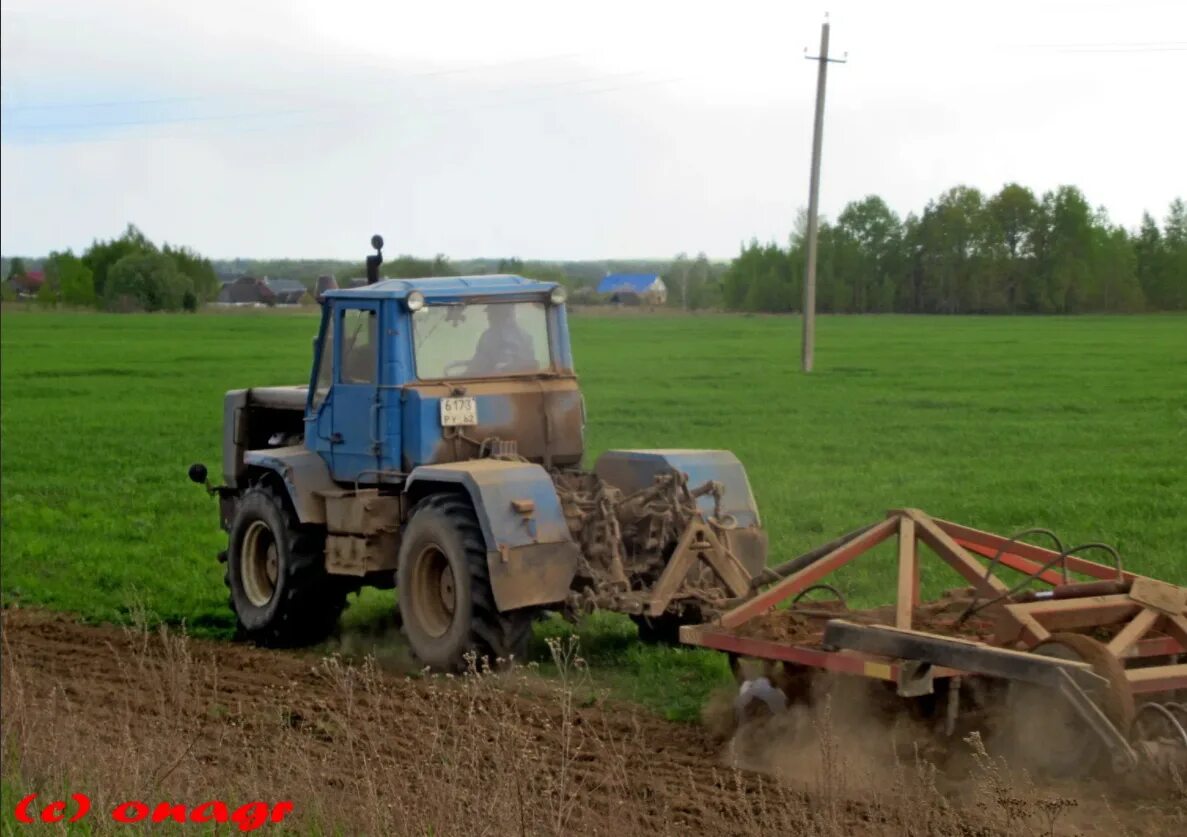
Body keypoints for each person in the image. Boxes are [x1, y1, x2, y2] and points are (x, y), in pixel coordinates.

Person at [466, 304, 536, 375]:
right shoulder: (487, 335)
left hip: (506, 379)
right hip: (485, 377)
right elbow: (478, 360)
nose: (488, 318)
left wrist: (504, 367)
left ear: (505, 315)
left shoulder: (522, 337)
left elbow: (526, 364)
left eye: (492, 314)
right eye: (490, 314)